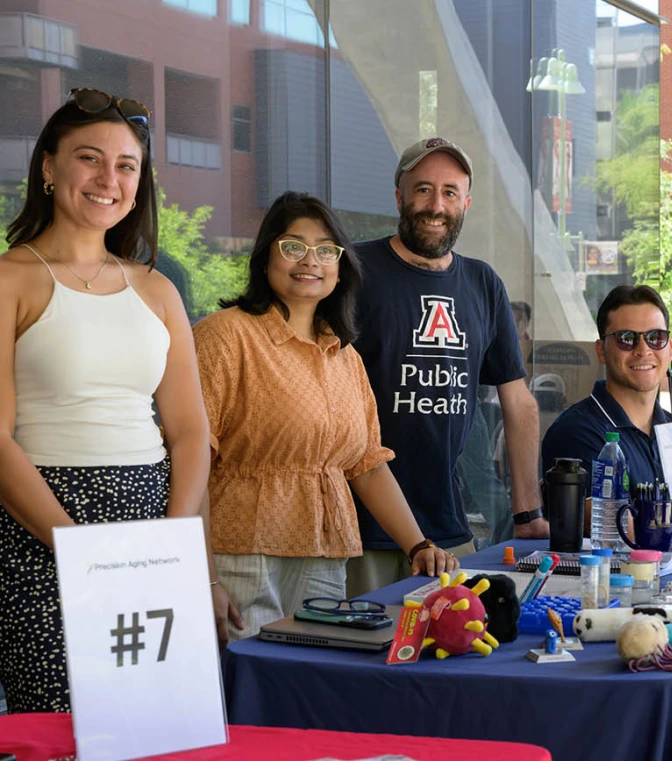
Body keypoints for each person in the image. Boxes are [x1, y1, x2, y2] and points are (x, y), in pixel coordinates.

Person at [0, 89, 210, 712]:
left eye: (126, 166)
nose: (108, 179)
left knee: (152, 724)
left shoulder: (158, 288)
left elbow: (191, 431)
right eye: (89, 158)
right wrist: (78, 550)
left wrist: (170, 544)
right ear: (47, 167)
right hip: (43, 528)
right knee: (60, 729)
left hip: (153, 522)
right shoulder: (11, 278)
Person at [194, 192, 457, 642]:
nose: (309, 260)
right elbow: (191, 459)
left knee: (305, 689)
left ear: (340, 267)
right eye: (293, 246)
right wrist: (205, 577)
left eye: (325, 250)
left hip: (325, 556)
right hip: (239, 553)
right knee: (245, 687)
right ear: (266, 257)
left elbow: (367, 465)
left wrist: (417, 544)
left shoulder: (345, 355)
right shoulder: (225, 335)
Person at [346, 137, 544, 598]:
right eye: (423, 190)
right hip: (358, 529)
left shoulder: (482, 284)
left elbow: (518, 403)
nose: (436, 205)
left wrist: (527, 514)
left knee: (455, 651)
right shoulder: (354, 271)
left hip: (449, 530)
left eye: (450, 193)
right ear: (399, 196)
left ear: (466, 203)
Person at [541, 285, 672, 543]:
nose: (643, 349)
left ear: (670, 348)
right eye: (626, 338)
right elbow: (624, 540)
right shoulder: (577, 433)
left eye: (656, 337)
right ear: (601, 350)